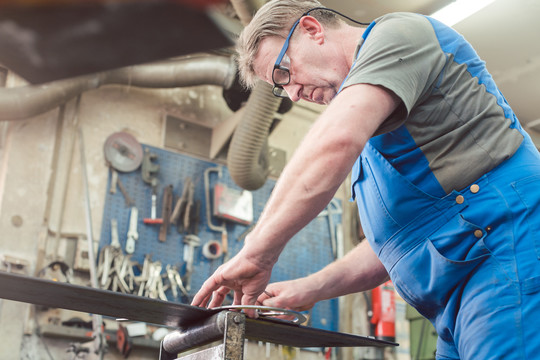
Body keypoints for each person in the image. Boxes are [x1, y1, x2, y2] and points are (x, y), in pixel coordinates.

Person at [192, 1, 540, 359]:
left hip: (507, 250)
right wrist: (308, 289)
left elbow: (334, 142)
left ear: (312, 30)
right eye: (280, 89)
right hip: (456, 300)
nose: (293, 93)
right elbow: (397, 245)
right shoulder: (372, 131)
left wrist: (256, 252)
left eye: (283, 73)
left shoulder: (399, 35)